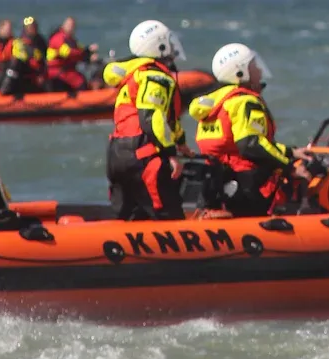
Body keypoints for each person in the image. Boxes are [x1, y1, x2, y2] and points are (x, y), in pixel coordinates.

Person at [188, 43, 310, 217]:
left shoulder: (216, 103)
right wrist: (289, 167)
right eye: (253, 66)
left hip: (220, 180)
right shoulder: (245, 102)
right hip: (247, 184)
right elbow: (251, 144)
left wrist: (290, 151)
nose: (259, 71)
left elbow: (235, 144)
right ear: (240, 72)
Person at [102, 20, 192, 221]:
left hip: (117, 154)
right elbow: (151, 117)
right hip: (142, 155)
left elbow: (166, 120)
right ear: (159, 46)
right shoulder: (155, 77)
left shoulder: (135, 75)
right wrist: (171, 154)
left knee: (131, 216)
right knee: (168, 214)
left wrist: (180, 143)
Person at [45, 16, 99, 92]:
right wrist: (86, 51)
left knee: (84, 78)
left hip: (68, 70)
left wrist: (89, 54)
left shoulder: (71, 40)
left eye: (73, 26)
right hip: (58, 72)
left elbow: (80, 50)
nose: (71, 28)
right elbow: (67, 52)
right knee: (80, 82)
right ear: (63, 25)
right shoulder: (58, 38)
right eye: (69, 25)